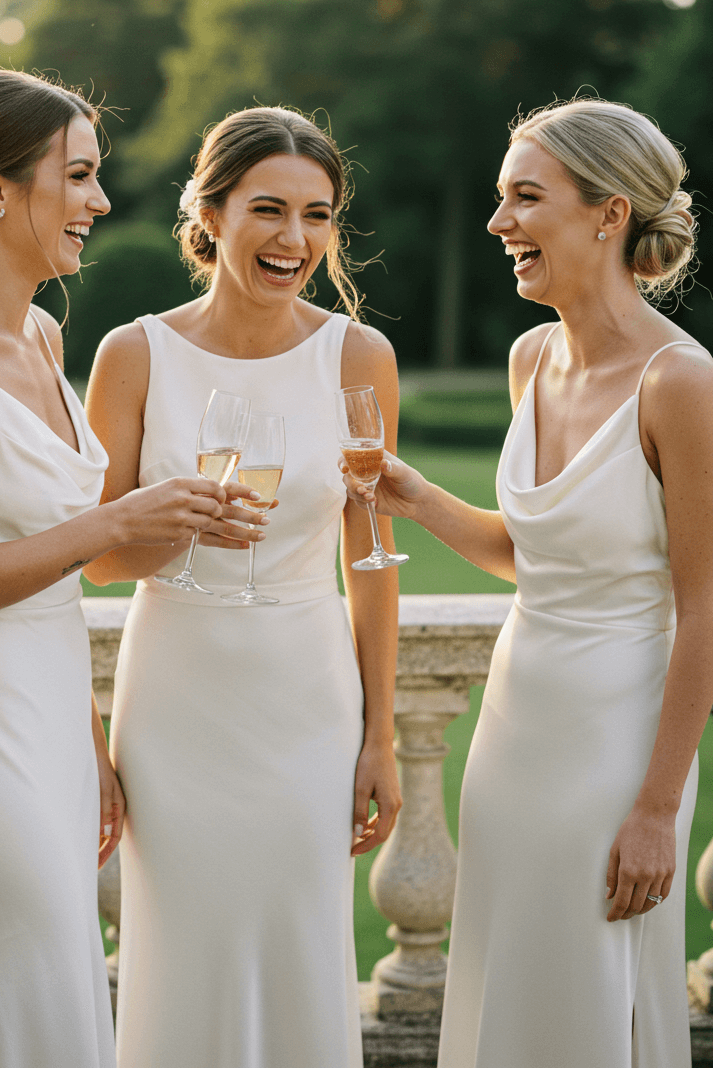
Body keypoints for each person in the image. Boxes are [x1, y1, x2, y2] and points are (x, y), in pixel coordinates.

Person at [0, 68, 265, 1068]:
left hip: (49, 717)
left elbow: (54, 574)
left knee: (28, 1016)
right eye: (80, 175)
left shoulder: (41, 333)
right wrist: (114, 520)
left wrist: (89, 735)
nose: (99, 200)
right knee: (43, 1007)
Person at [344, 98, 713, 1067]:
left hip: (614, 740)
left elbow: (704, 605)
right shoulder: (529, 358)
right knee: (510, 975)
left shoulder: (679, 383)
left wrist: (654, 806)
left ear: (607, 212)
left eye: (522, 197)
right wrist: (416, 496)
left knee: (589, 983)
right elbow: (538, 547)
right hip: (514, 726)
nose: (497, 222)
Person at [83, 105, 403, 1068]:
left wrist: (377, 733)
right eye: (269, 209)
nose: (294, 239)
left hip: (305, 695)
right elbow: (92, 556)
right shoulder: (133, 354)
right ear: (210, 213)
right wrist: (172, 521)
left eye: (318, 214)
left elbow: (371, 558)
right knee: (181, 950)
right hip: (176, 694)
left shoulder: (359, 357)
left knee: (300, 942)